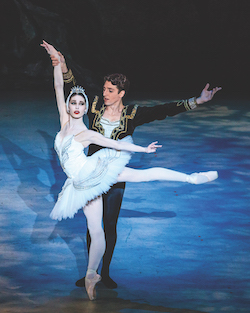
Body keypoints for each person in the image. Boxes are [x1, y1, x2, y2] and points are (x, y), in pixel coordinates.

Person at [49, 46, 221, 291]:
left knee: (110, 224)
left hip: (113, 173)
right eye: (105, 89)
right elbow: (70, 87)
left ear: (121, 93)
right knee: (92, 227)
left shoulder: (132, 114)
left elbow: (163, 111)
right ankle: (92, 271)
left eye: (110, 90)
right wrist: (61, 64)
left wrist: (197, 101)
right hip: (91, 171)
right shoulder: (94, 106)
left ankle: (104, 273)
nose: (105, 93)